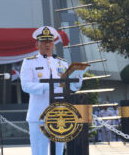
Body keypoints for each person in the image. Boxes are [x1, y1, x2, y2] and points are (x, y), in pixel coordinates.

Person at [20, 26, 83, 155]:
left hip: (59, 113)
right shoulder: (29, 62)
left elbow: (69, 88)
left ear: (54, 44)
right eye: (43, 42)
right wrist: (47, 86)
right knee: (39, 151)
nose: (47, 45)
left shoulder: (62, 63)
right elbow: (25, 86)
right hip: (39, 114)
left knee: (58, 151)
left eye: (50, 42)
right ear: (36, 44)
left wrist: (77, 81)